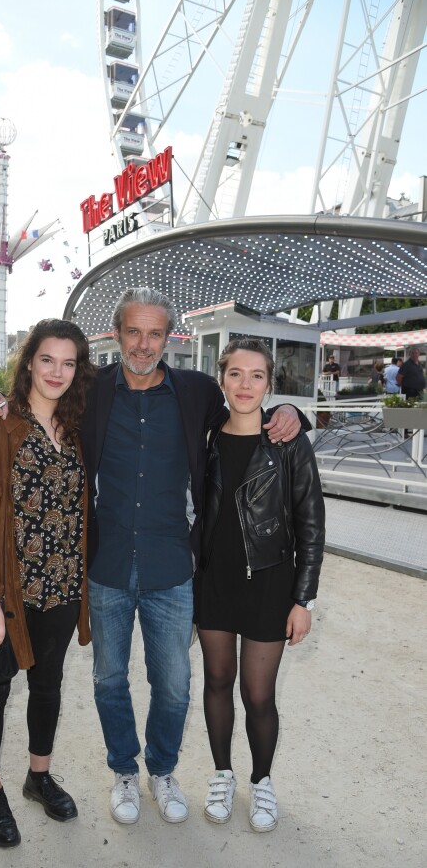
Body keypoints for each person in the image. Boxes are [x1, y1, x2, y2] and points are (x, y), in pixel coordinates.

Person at [0, 288, 303, 826]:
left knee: (173, 685)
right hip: (105, 567)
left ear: (169, 337)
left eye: (154, 333)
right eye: (133, 331)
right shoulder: (92, 389)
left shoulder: (197, 392)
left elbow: (249, 411)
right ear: (117, 334)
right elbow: (35, 395)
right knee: (108, 680)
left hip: (172, 565)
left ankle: (163, 769)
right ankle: (124, 771)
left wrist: (289, 411)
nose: (144, 344)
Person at [0, 319, 95, 849]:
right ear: (28, 363)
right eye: (46, 360)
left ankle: (38, 776)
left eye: (68, 362)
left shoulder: (75, 427)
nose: (57, 372)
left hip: (62, 586)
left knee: (48, 685)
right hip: (8, 591)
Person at [195, 338, 325, 832]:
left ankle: (262, 780)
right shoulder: (206, 436)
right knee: (216, 682)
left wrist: (303, 599)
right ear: (221, 378)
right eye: (235, 374)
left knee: (258, 695)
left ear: (270, 384)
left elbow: (312, 524)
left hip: (270, 585)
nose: (245, 384)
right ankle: (222, 774)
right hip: (214, 582)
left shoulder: (288, 442)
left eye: (256, 376)